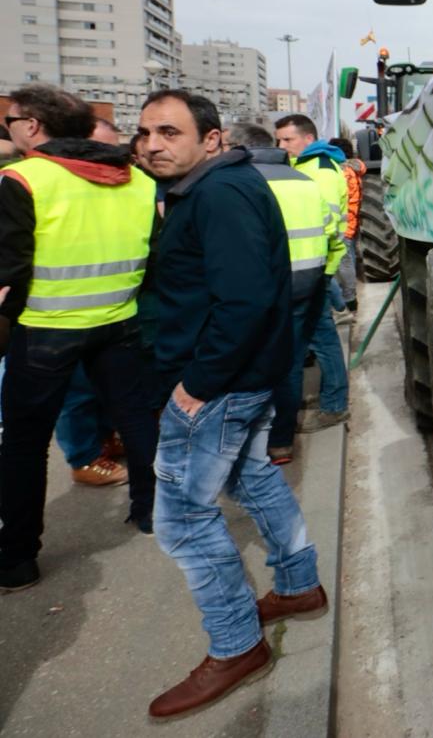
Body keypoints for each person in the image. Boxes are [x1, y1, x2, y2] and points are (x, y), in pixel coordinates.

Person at [138, 89, 327, 718]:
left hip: (217, 385)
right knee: (254, 483)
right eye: (145, 134)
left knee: (183, 520)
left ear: (212, 139)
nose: (152, 145)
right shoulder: (216, 188)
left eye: (169, 132)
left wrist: (197, 386)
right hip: (239, 377)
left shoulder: (218, 194)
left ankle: (237, 645)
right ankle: (299, 589)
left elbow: (242, 302)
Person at [0, 85, 159, 593]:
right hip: (119, 322)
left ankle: (18, 557)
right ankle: (151, 512)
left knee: (24, 444)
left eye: (10, 120)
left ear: (31, 126)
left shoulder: (21, 179)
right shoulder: (135, 178)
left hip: (46, 330)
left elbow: (9, 270)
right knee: (137, 419)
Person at [226, 123, 342, 464]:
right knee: (295, 356)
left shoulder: (243, 183)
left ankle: (272, 435)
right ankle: (281, 439)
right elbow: (330, 228)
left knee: (274, 361)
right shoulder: (303, 180)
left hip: (266, 287)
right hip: (309, 279)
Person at [54, 117, 136, 489]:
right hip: (59, 314)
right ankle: (83, 457)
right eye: (100, 147)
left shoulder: (116, 184)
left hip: (111, 312)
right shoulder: (50, 183)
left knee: (98, 389)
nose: (109, 157)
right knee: (76, 394)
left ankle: (103, 439)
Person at [273, 115, 350, 431]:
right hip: (310, 269)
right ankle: (331, 401)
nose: (281, 146)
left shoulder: (318, 172)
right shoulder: (307, 168)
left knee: (323, 339)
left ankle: (334, 405)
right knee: (319, 337)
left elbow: (328, 228)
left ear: (307, 138)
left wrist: (324, 271)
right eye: (278, 140)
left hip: (313, 270)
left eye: (287, 140)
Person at [329, 136, 363, 313]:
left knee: (344, 262)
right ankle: (350, 297)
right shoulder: (352, 169)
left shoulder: (343, 171)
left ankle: (349, 300)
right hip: (352, 222)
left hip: (344, 224)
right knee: (348, 259)